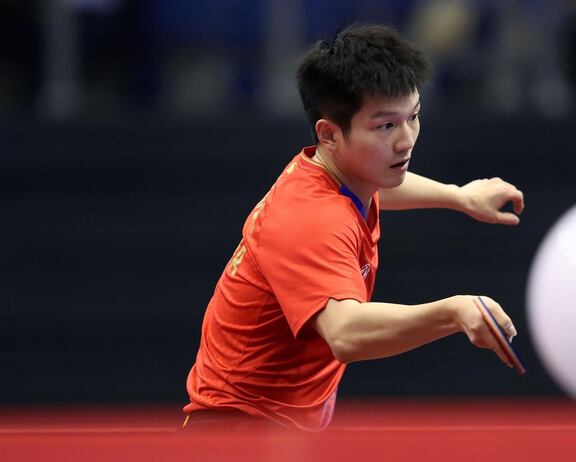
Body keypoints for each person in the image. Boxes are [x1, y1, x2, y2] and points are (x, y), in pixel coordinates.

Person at [181, 24, 525, 433]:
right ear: (329, 134)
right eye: (385, 127)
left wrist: (458, 196)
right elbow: (345, 333)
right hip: (236, 435)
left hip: (280, 429)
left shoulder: (343, 174)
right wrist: (454, 312)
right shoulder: (309, 217)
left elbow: (382, 188)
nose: (406, 140)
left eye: (413, 116)